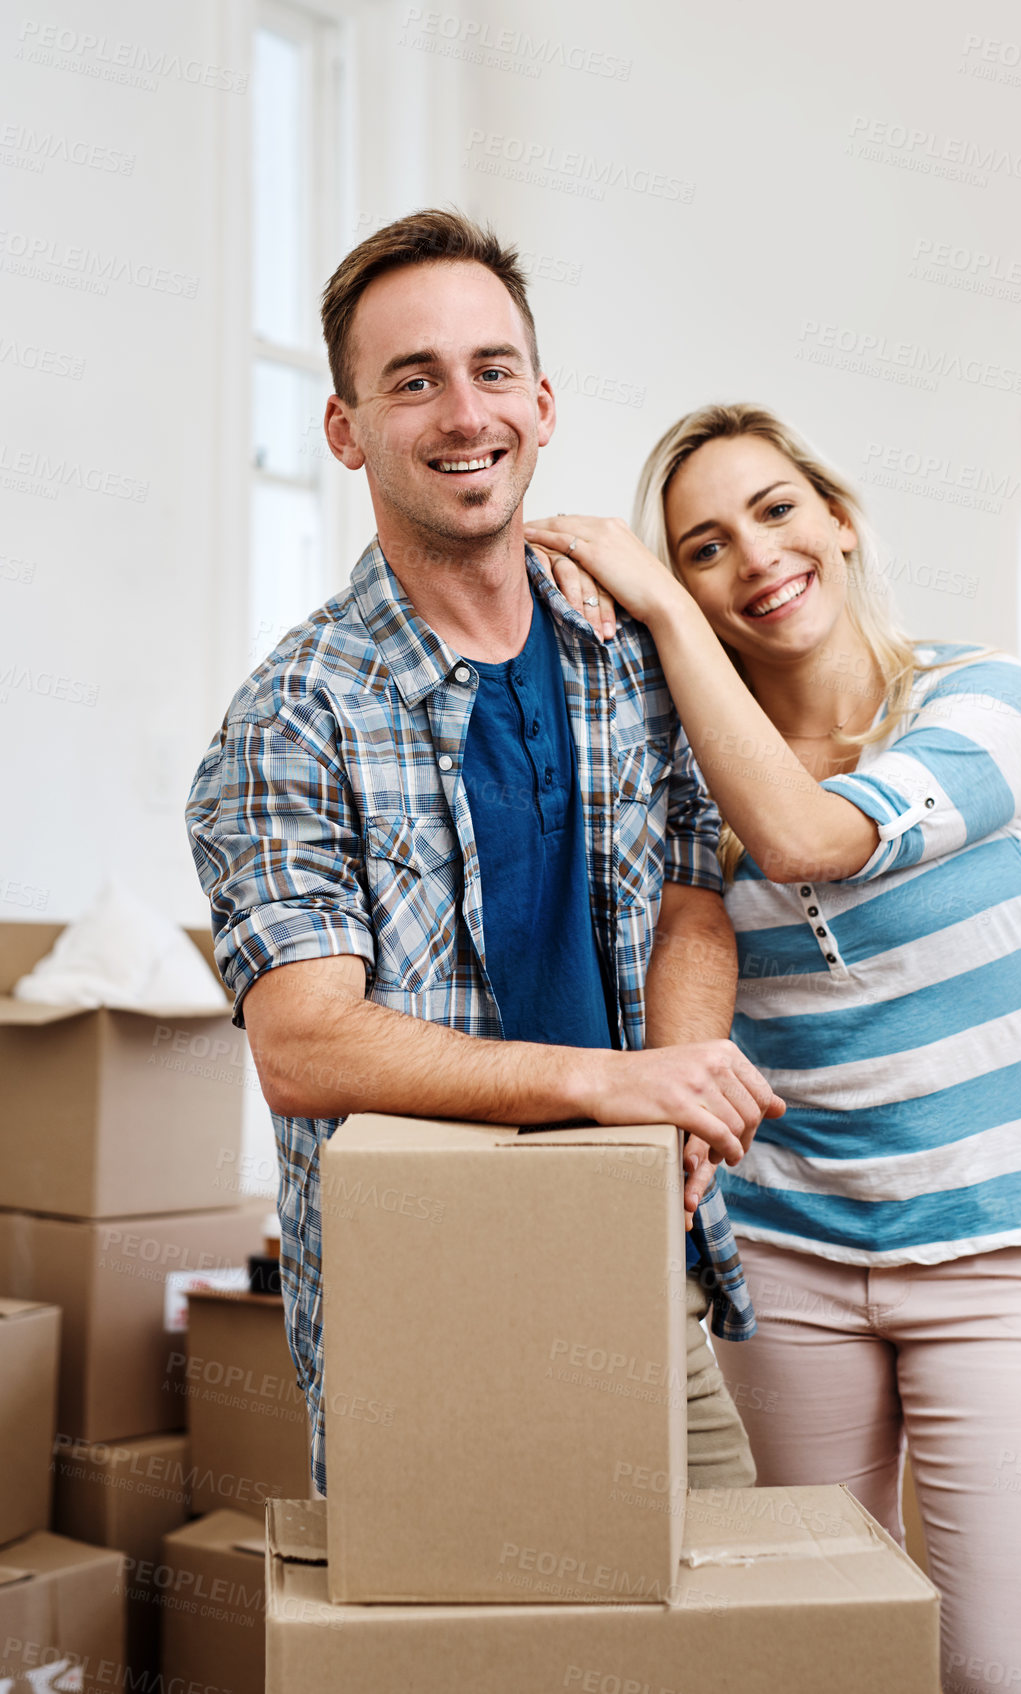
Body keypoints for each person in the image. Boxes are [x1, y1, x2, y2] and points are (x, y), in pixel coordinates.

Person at [185, 217, 784, 1499]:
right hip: (433, 1307)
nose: (466, 413)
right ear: (345, 429)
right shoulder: (292, 716)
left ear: (544, 400)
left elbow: (690, 892)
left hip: (646, 1266)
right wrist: (613, 1087)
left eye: (493, 369)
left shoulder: (627, 655)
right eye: (414, 380)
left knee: (735, 1639)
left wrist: (674, 1093)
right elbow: (306, 1045)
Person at [524, 403, 1021, 1694]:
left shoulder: (984, 699)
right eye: (702, 548)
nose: (754, 557)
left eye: (775, 510)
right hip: (787, 1260)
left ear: (836, 522)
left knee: (998, 1673)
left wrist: (664, 620)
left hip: (998, 1259)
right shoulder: (681, 780)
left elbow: (807, 840)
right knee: (816, 1661)